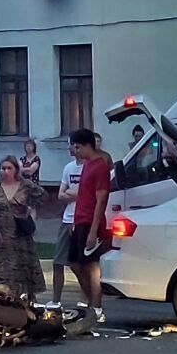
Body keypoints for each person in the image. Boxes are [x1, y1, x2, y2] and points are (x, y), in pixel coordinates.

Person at [0, 155, 45, 301]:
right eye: (3, 168)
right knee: (4, 271)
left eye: (9, 168)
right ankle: (6, 299)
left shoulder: (25, 186)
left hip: (21, 234)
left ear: (15, 170)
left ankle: (28, 300)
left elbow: (43, 195)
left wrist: (29, 210)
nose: (5, 171)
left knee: (24, 268)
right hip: (2, 236)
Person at [68, 129, 111, 324]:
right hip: (80, 220)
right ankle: (91, 300)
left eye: (77, 147)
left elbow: (101, 200)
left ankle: (97, 307)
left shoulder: (100, 166)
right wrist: (75, 223)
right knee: (75, 264)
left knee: (91, 265)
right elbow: (82, 197)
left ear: (87, 145)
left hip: (91, 221)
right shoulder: (86, 165)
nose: (74, 150)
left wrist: (93, 230)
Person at [49, 142, 83, 309]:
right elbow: (61, 195)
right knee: (58, 261)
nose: (70, 148)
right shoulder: (69, 167)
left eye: (74, 145)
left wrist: (75, 194)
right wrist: (73, 194)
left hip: (83, 219)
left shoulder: (90, 168)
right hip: (67, 218)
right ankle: (55, 300)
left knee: (79, 264)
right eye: (70, 145)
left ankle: (88, 296)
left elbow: (88, 195)